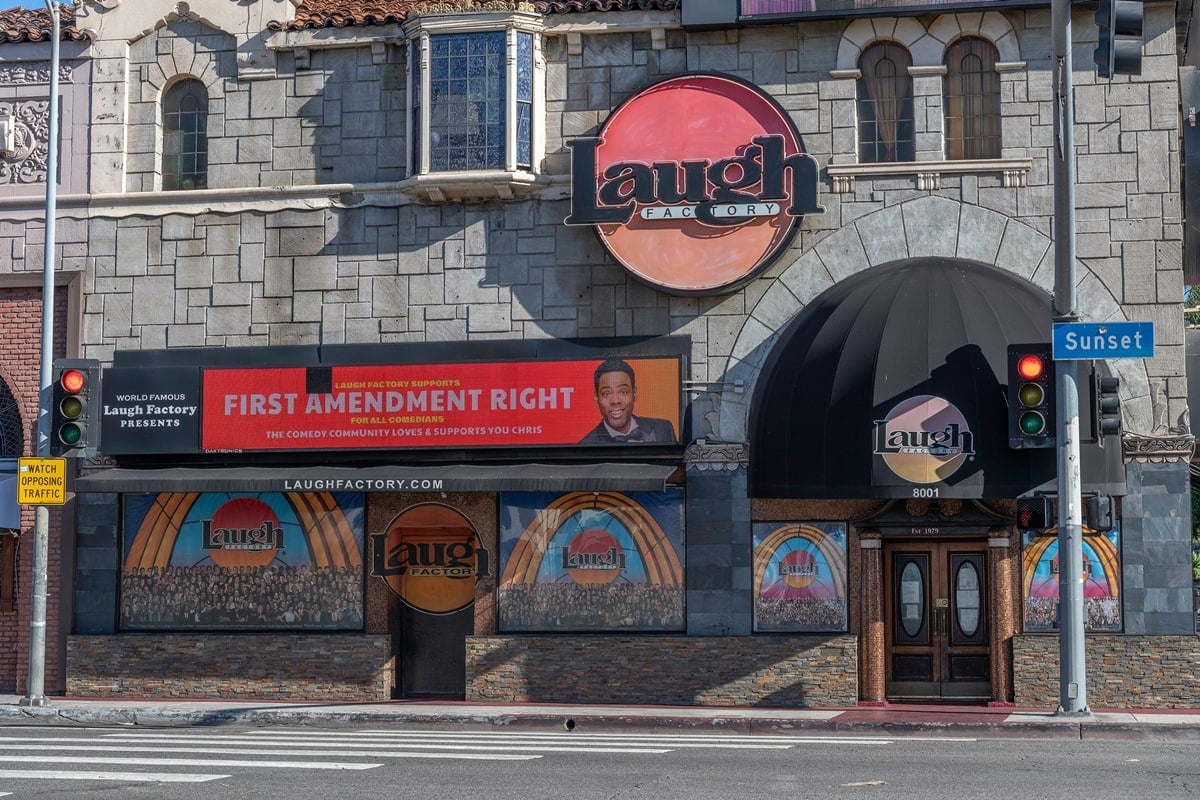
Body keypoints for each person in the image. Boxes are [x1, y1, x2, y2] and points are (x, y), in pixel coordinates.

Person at [579, 358, 677, 443]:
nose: (615, 401)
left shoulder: (663, 429)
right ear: (596, 397)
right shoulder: (585, 446)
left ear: (634, 394)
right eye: (606, 393)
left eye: (623, 392)